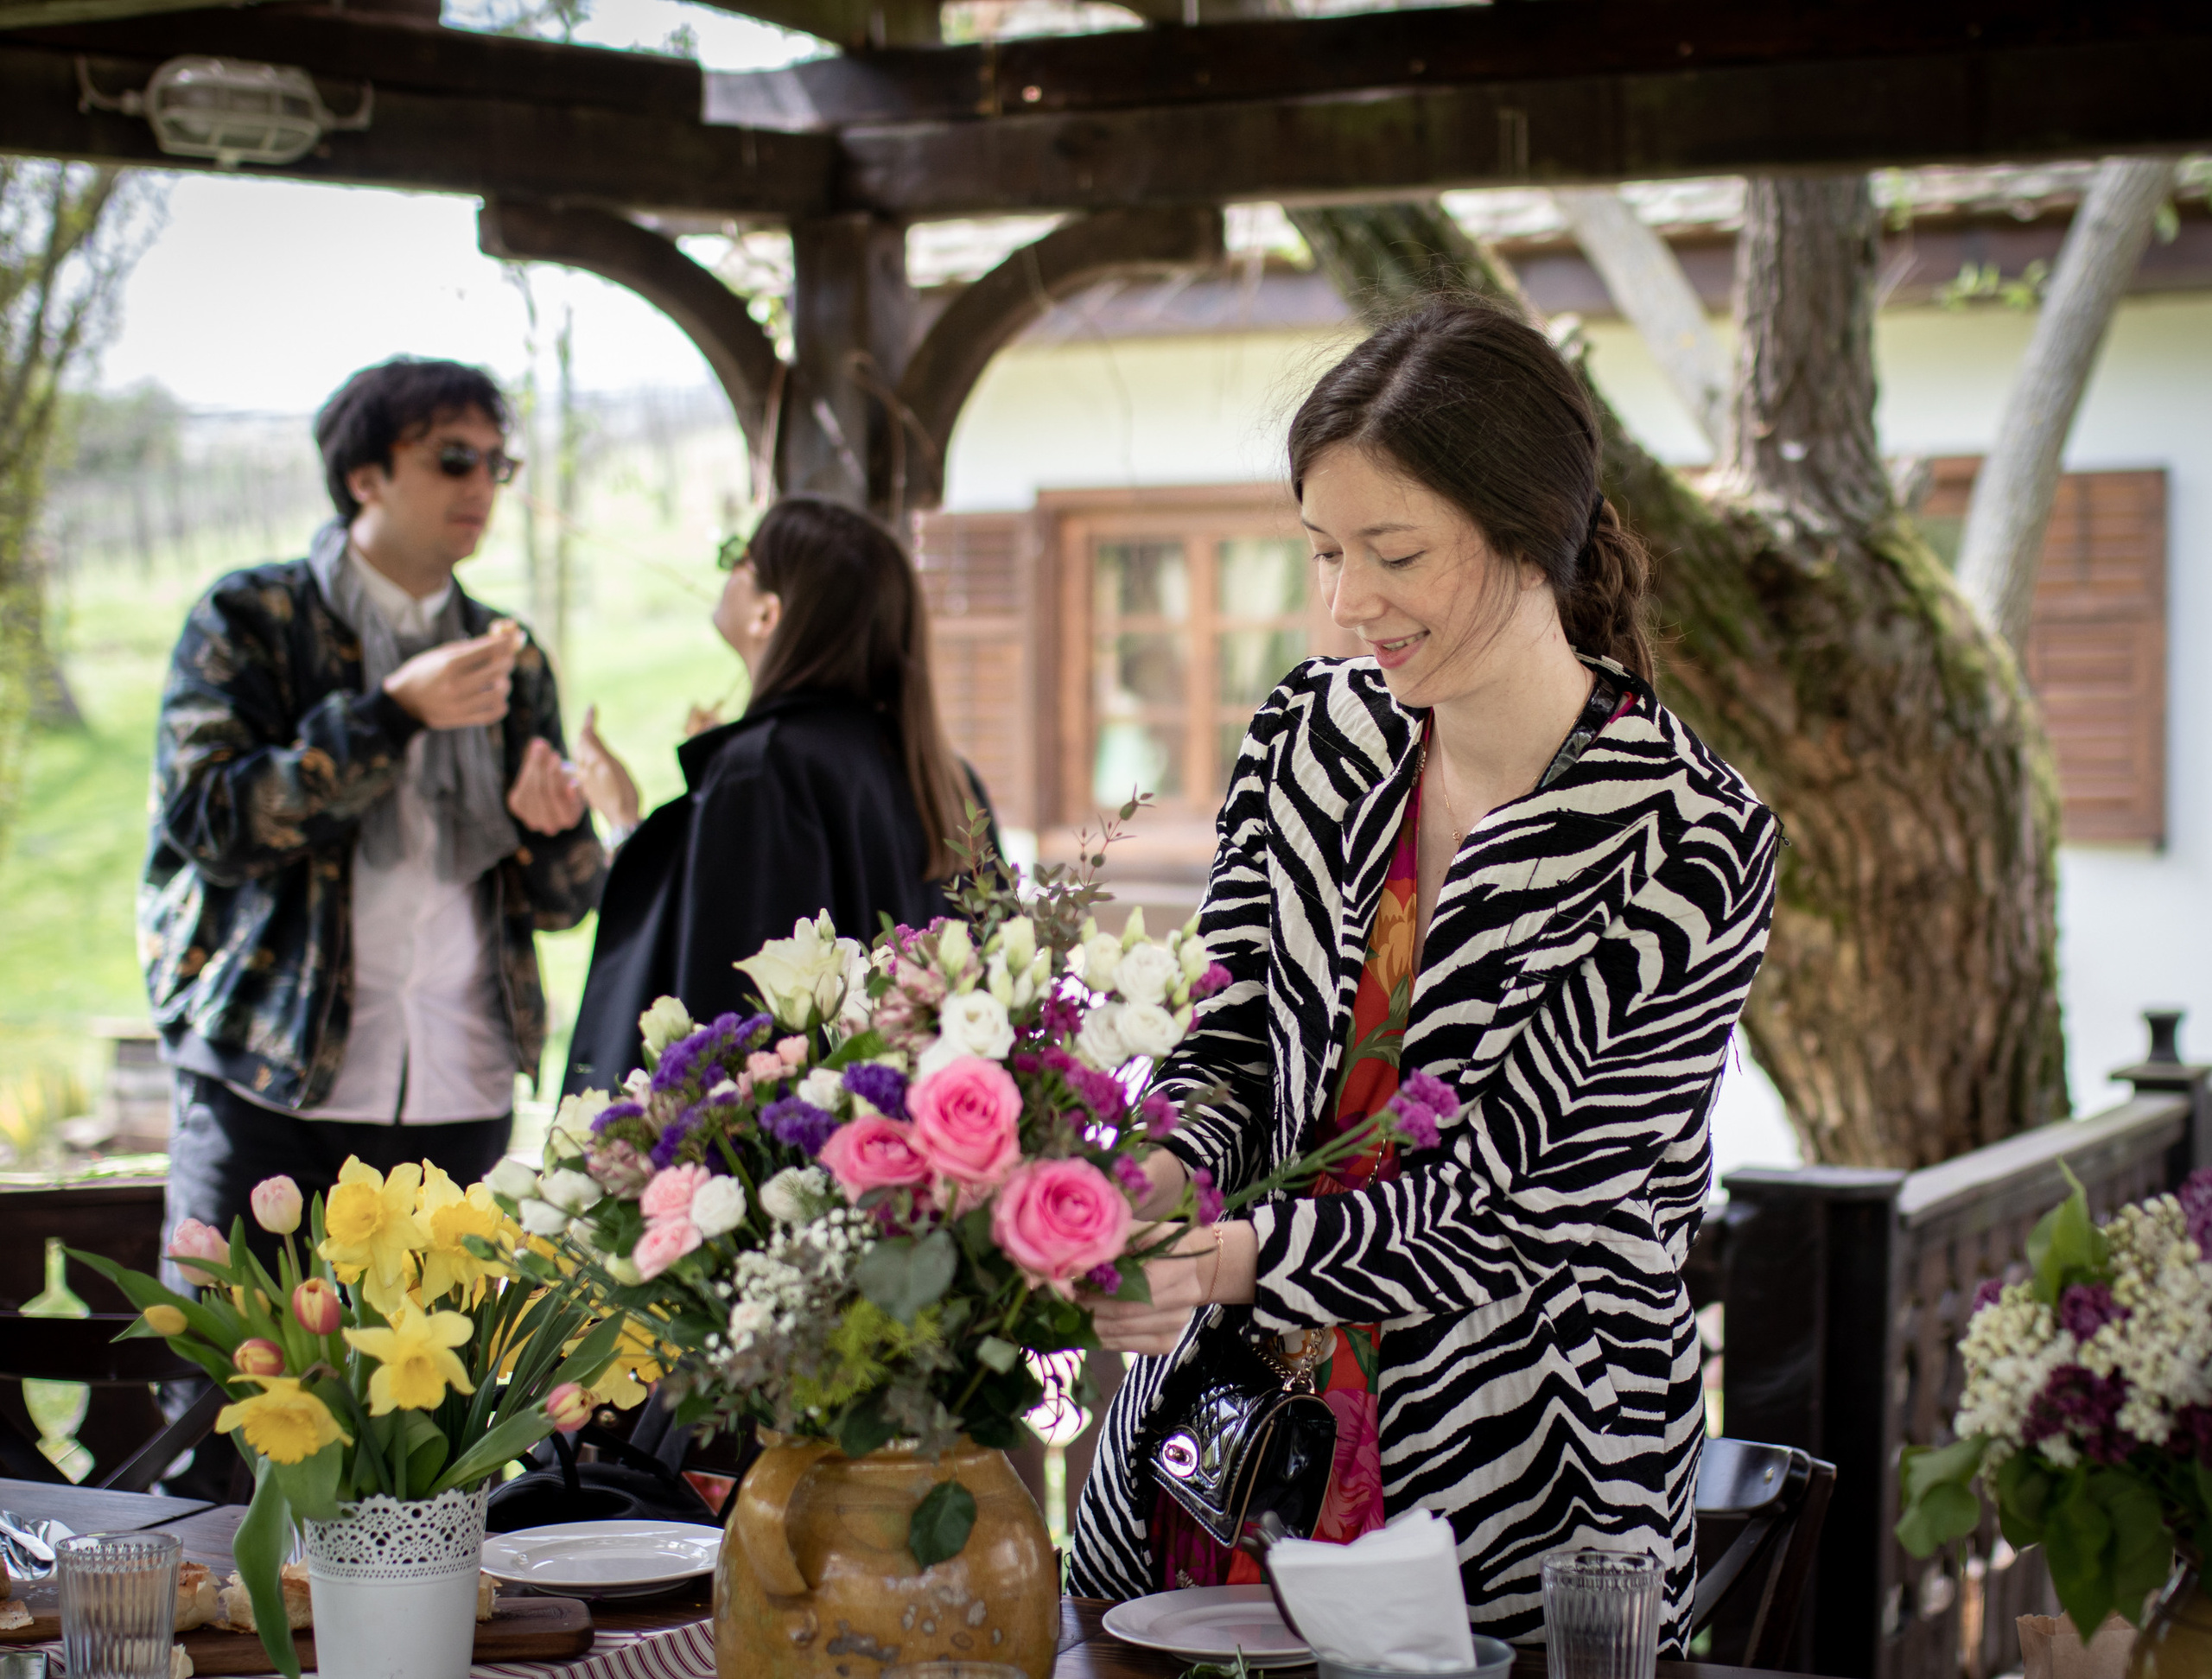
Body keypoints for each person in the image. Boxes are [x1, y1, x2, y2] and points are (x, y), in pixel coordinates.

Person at [1067, 297, 1782, 1655]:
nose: (1346, 604)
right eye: (1326, 550)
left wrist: (1230, 1257)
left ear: (1528, 533)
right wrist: (1156, 1177)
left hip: (1523, 1481)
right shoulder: (1305, 735)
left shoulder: (1688, 836)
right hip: (1229, 1442)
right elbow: (1228, 1049)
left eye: (1393, 553)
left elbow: (1523, 1207)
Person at [142, 357, 607, 1293]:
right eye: (452, 458)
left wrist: (555, 830)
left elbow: (563, 901)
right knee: (231, 1408)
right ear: (365, 476)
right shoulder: (252, 617)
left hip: (459, 1084)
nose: (480, 485)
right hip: (271, 1085)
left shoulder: (508, 655)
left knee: (438, 1424)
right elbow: (209, 820)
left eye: (495, 465)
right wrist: (390, 715)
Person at [563, 494, 991, 1094]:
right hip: (908, 1144)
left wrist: (628, 823)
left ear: (768, 612)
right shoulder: (948, 776)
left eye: (740, 558)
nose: (727, 570)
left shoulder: (766, 769)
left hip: (788, 1161)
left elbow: (727, 1013)